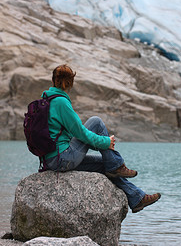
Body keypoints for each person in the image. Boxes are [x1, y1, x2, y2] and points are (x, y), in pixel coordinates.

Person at [42, 64, 161, 213]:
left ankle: (136, 198)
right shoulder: (61, 102)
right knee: (96, 121)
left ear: (53, 80)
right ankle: (117, 165)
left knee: (105, 165)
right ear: (70, 82)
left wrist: (100, 143)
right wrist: (105, 142)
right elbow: (80, 133)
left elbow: (69, 134)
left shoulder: (46, 100)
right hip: (63, 158)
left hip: (52, 160)